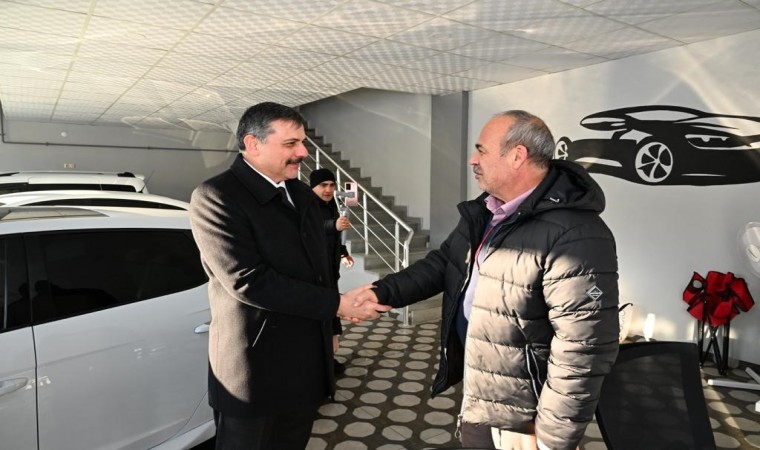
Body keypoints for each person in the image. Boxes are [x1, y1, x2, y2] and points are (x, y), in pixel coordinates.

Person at [356, 110, 619, 449]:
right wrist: (384, 292)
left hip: (524, 417)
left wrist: (553, 437)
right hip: (484, 392)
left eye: (481, 150)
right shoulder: (488, 210)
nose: (472, 159)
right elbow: (445, 263)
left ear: (517, 156)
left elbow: (583, 347)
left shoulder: (575, 234)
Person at [189, 102, 390, 450]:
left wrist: (333, 320)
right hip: (254, 373)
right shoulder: (216, 196)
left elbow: (318, 272)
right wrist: (337, 305)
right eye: (291, 144)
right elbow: (248, 280)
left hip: (304, 365)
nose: (303, 152)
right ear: (253, 144)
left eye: (303, 142)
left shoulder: (300, 194)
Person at [310, 167, 355, 376]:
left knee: (330, 311)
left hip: (329, 271)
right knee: (321, 313)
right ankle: (321, 360)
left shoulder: (331, 205)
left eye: (331, 185)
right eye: (323, 185)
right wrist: (332, 225)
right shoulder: (307, 206)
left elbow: (334, 238)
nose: (328, 190)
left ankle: (328, 357)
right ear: (313, 187)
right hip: (314, 274)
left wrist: (343, 254)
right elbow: (309, 230)